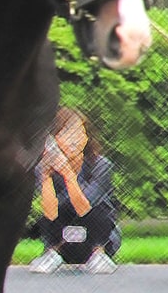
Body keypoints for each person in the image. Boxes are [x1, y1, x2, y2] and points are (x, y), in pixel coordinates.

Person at [30, 106, 121, 274]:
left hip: (99, 240)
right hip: (63, 242)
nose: (74, 140)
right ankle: (52, 254)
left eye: (79, 132)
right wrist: (46, 176)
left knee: (98, 208)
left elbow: (85, 207)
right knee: (52, 206)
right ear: (54, 139)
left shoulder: (101, 165)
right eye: (67, 134)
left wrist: (68, 175)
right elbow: (49, 214)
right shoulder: (44, 169)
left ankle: (99, 256)